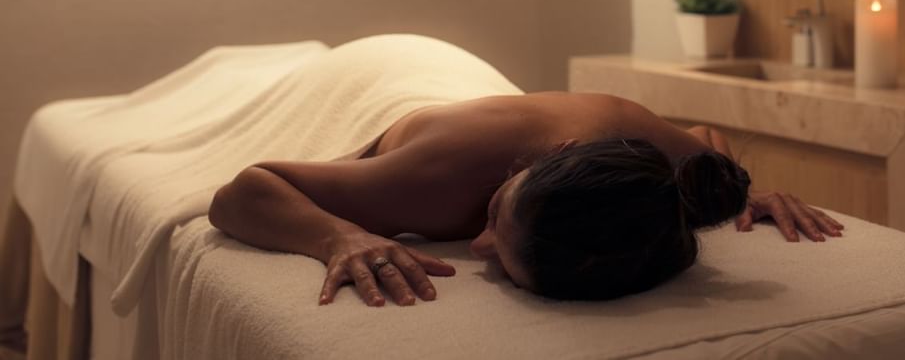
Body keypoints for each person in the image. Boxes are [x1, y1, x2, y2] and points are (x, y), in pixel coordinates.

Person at [209, 91, 843, 307]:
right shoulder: (431, 184)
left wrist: (744, 193)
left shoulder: (634, 146)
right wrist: (337, 237)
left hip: (509, 109)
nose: (478, 246)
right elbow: (241, 192)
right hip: (398, 88)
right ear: (541, 161)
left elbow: (705, 144)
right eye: (491, 219)